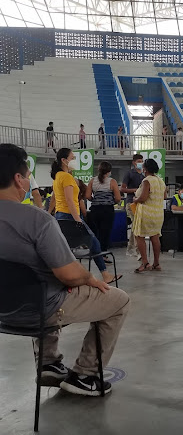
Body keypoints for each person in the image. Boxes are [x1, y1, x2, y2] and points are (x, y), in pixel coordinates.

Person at [0, 143, 130, 396]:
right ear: (18, 179)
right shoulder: (36, 220)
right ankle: (86, 374)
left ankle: (48, 363)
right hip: (40, 309)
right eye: (27, 177)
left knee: (42, 280)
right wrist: (89, 278)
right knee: (119, 301)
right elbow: (69, 274)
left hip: (3, 309)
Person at [51, 148, 120, 285]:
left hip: (60, 215)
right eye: (72, 158)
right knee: (93, 241)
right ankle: (105, 274)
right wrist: (77, 219)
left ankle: (101, 274)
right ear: (64, 161)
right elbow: (70, 200)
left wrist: (50, 211)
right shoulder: (67, 177)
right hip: (70, 215)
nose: (74, 160)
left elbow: (56, 197)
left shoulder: (58, 176)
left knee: (77, 245)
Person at [131, 158, 166, 272]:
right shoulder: (160, 181)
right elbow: (164, 196)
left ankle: (145, 263)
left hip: (146, 213)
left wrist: (135, 199)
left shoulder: (146, 181)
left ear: (145, 169)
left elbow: (143, 197)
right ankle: (157, 263)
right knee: (155, 237)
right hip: (158, 213)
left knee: (139, 236)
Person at [85, 162, 122, 260]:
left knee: (96, 232)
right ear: (109, 171)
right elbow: (118, 198)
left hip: (95, 210)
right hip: (107, 210)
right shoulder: (112, 182)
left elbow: (88, 196)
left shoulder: (92, 181)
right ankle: (103, 254)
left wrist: (95, 200)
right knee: (105, 232)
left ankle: (95, 252)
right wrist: (110, 201)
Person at [121, 153, 144, 256]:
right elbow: (122, 188)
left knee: (135, 226)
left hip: (139, 203)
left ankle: (130, 249)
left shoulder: (143, 175)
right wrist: (135, 190)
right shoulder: (129, 174)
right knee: (136, 224)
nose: (140, 163)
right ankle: (137, 250)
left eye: (141, 161)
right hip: (131, 202)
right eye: (138, 161)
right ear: (134, 163)